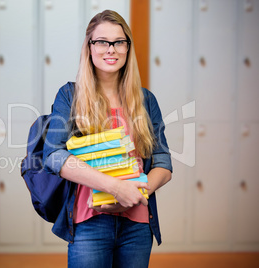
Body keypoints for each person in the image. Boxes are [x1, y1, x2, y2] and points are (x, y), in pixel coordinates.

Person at [43, 10, 172, 268]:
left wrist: (136, 192)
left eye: (118, 42)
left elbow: (163, 163)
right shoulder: (70, 96)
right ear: (89, 47)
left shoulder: (146, 100)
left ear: (127, 48)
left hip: (137, 225)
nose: (110, 49)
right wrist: (114, 188)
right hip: (89, 224)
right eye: (101, 41)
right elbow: (54, 156)